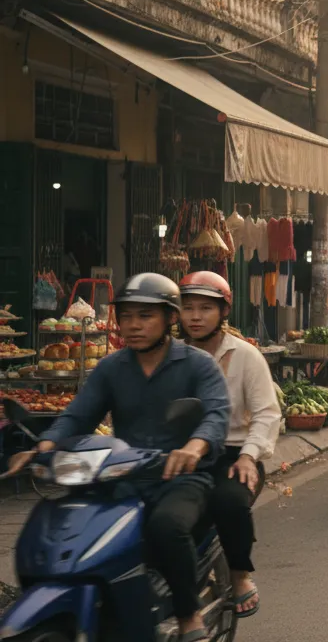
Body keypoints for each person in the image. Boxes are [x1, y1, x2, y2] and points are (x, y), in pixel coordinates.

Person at [8, 274, 230, 641]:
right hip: (120, 475)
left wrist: (195, 446)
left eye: (145, 316)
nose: (133, 325)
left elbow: (216, 415)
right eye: (126, 316)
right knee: (71, 526)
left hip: (179, 477)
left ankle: (189, 614)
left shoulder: (198, 365)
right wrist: (43, 446)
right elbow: (78, 415)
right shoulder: (112, 368)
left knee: (167, 527)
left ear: (169, 318)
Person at [178, 271, 282, 619]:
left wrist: (250, 457)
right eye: (187, 308)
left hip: (235, 454)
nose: (195, 317)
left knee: (229, 502)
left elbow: (267, 413)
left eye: (205, 308)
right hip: (181, 455)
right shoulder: (170, 356)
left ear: (223, 311)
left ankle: (239, 575)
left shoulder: (246, 356)